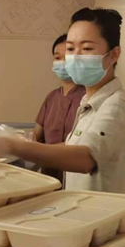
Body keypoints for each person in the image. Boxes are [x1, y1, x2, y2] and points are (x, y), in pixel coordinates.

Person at [0, 8, 125, 193]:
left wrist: (14, 147)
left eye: (87, 48)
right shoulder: (88, 101)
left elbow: (86, 158)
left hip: (100, 206)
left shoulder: (116, 105)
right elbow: (74, 145)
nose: (75, 56)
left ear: (114, 55)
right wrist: (27, 144)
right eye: (70, 49)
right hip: (79, 202)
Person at [33, 34, 86, 183]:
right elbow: (36, 134)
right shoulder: (51, 97)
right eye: (57, 58)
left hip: (76, 172)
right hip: (49, 171)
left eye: (67, 58)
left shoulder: (87, 97)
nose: (62, 63)